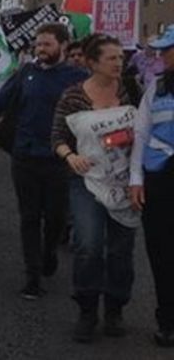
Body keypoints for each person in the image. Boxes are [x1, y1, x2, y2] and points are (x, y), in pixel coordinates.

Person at [0, 23, 88, 300]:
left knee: (55, 217)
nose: (40, 50)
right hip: (24, 155)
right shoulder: (27, 73)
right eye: (38, 45)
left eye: (47, 44)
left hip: (58, 158)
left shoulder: (77, 77)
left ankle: (49, 250)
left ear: (63, 45)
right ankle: (32, 275)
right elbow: (3, 99)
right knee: (29, 217)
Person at [51, 34, 139, 343]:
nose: (119, 63)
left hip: (124, 180)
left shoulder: (131, 90)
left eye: (120, 58)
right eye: (112, 58)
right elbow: (58, 136)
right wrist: (70, 156)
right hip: (86, 182)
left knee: (120, 249)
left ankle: (115, 307)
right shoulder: (73, 97)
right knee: (88, 244)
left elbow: (141, 129)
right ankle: (87, 309)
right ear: (92, 63)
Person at [130, 25, 174, 348]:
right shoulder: (155, 88)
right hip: (158, 179)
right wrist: (135, 179)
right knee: (160, 252)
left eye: (167, 49)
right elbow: (141, 135)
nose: (160, 56)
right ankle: (167, 321)